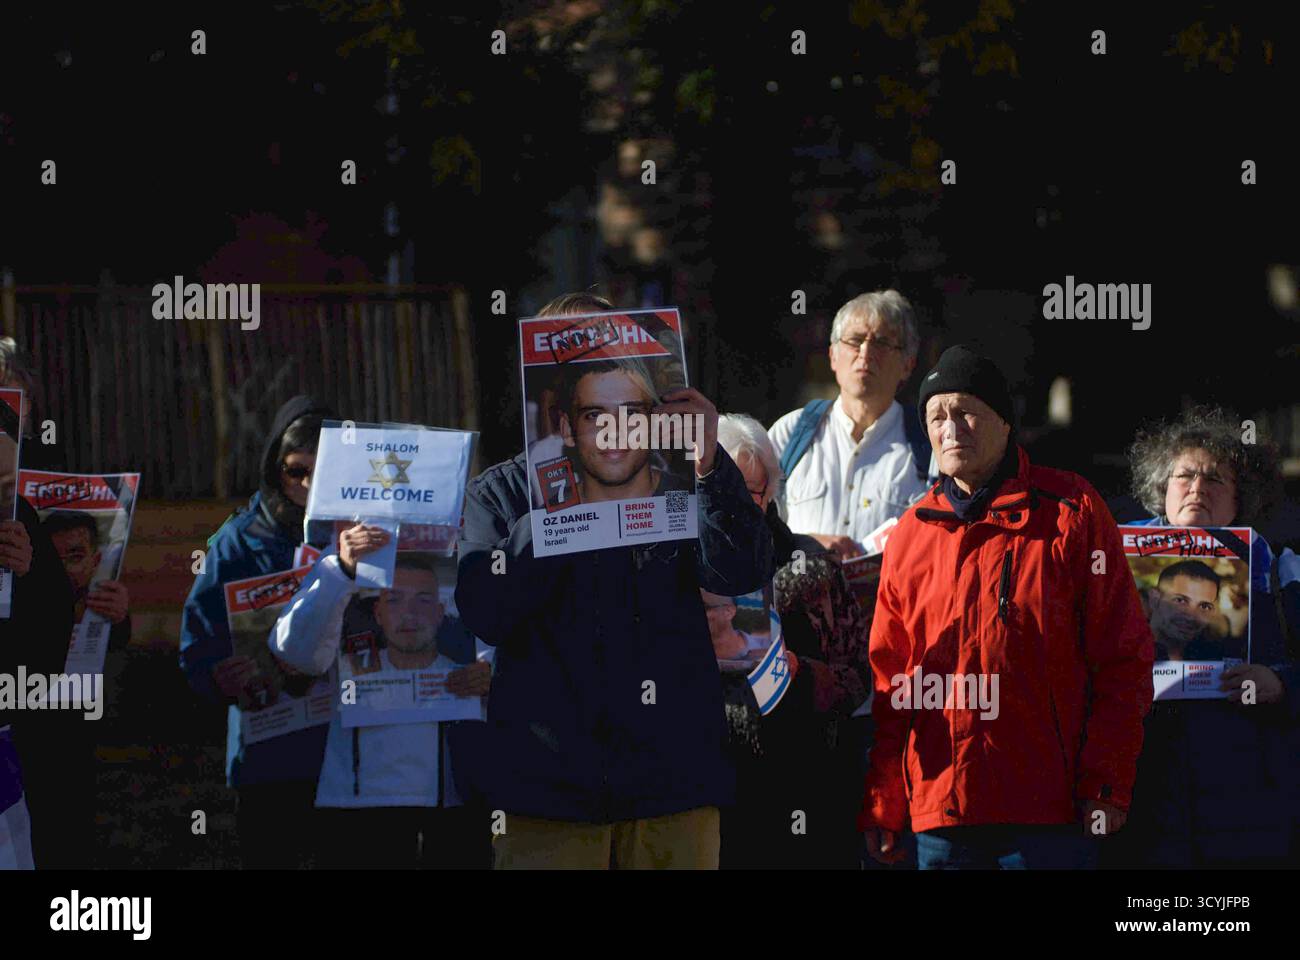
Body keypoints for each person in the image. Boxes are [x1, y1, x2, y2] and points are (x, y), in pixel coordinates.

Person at [451, 292, 775, 870]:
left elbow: (743, 571)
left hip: (675, 786)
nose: (613, 429)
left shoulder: (684, 482)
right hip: (548, 795)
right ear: (561, 417)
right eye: (594, 412)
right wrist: (552, 515)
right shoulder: (500, 493)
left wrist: (709, 464)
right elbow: (485, 612)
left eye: (629, 409)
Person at [860, 345, 1153, 870]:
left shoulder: (1072, 511)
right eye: (936, 416)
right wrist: (885, 802)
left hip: (1050, 816)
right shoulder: (909, 535)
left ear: (1004, 421)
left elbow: (1122, 657)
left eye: (966, 411)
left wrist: (1106, 783)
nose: (951, 428)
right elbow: (891, 683)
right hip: (942, 816)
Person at [1105, 405, 1300, 868]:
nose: (1196, 488)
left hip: (1249, 802)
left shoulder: (1282, 572)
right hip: (1143, 794)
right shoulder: (1108, 561)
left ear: (1241, 499)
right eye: (1184, 476)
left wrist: (1281, 683)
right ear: (1162, 489)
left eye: (1214, 479)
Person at [179, 395, 334, 869]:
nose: (308, 485)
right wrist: (216, 675)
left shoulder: (365, 533)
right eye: (296, 471)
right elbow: (197, 643)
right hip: (271, 756)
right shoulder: (239, 540)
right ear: (274, 468)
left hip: (351, 754)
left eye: (324, 470)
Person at [714, 413, 873, 869]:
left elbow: (857, 679)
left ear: (769, 494)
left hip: (804, 791)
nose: (735, 504)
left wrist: (803, 674)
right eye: (718, 488)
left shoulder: (811, 566)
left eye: (749, 491)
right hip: (710, 794)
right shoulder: (678, 568)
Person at [272, 543, 493, 869]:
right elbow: (295, 653)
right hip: (358, 807)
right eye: (394, 600)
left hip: (459, 806)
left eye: (423, 600)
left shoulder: (474, 538)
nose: (409, 614)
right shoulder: (343, 549)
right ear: (377, 613)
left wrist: (495, 674)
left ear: (440, 611)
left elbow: (514, 634)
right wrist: (340, 571)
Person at [768, 290, 933, 559]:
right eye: (855, 340)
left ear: (908, 364)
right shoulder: (790, 433)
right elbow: (752, 528)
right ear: (833, 355)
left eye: (881, 343)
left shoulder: (928, 446)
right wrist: (805, 544)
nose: (865, 352)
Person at [553, 357, 690, 502]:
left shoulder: (697, 502)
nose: (613, 433)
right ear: (567, 430)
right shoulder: (542, 516)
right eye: (594, 415)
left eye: (630, 413)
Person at [1145, 561, 1226, 661]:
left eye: (1204, 606)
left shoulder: (1215, 657)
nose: (1191, 616)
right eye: (1180, 601)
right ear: (1154, 599)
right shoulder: (1128, 652)